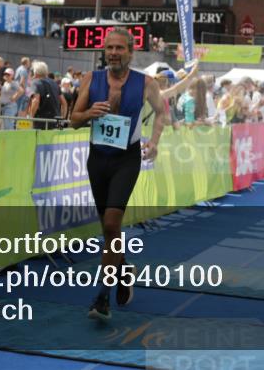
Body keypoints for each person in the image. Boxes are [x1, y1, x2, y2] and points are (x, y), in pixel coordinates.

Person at [70, 28, 166, 321]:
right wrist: (89, 114)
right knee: (108, 229)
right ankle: (123, 269)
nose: (113, 53)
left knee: (112, 223)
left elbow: (162, 112)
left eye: (119, 48)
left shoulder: (145, 83)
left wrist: (155, 142)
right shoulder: (91, 79)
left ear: (130, 52)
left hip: (127, 158)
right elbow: (73, 119)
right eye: (109, 48)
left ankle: (102, 298)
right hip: (97, 158)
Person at [28, 61, 64, 129]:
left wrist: (31, 117)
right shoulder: (54, 83)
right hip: (57, 120)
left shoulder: (35, 83)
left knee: (39, 139)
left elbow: (35, 101)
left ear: (35, 73)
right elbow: (64, 102)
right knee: (57, 139)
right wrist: (62, 117)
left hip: (42, 121)